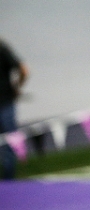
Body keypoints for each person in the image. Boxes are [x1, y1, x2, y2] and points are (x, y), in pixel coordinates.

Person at [0, 38, 29, 180]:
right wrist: (17, 87)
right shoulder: (3, 48)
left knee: (11, 140)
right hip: (5, 101)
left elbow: (24, 70)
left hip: (5, 102)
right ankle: (8, 183)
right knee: (10, 141)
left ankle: (8, 181)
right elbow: (24, 70)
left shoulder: (2, 48)